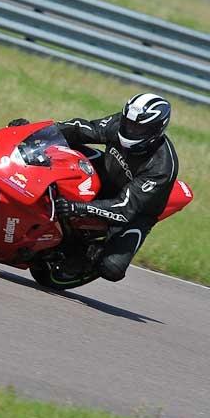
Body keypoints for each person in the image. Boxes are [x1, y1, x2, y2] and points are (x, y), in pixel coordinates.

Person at [54, 93, 178, 282]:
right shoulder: (120, 123)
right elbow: (83, 129)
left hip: (135, 212)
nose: (130, 129)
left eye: (138, 127)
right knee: (64, 149)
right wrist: (36, 130)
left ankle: (89, 255)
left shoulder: (161, 167)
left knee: (112, 269)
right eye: (128, 123)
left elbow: (124, 208)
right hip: (108, 173)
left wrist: (77, 207)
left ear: (155, 130)